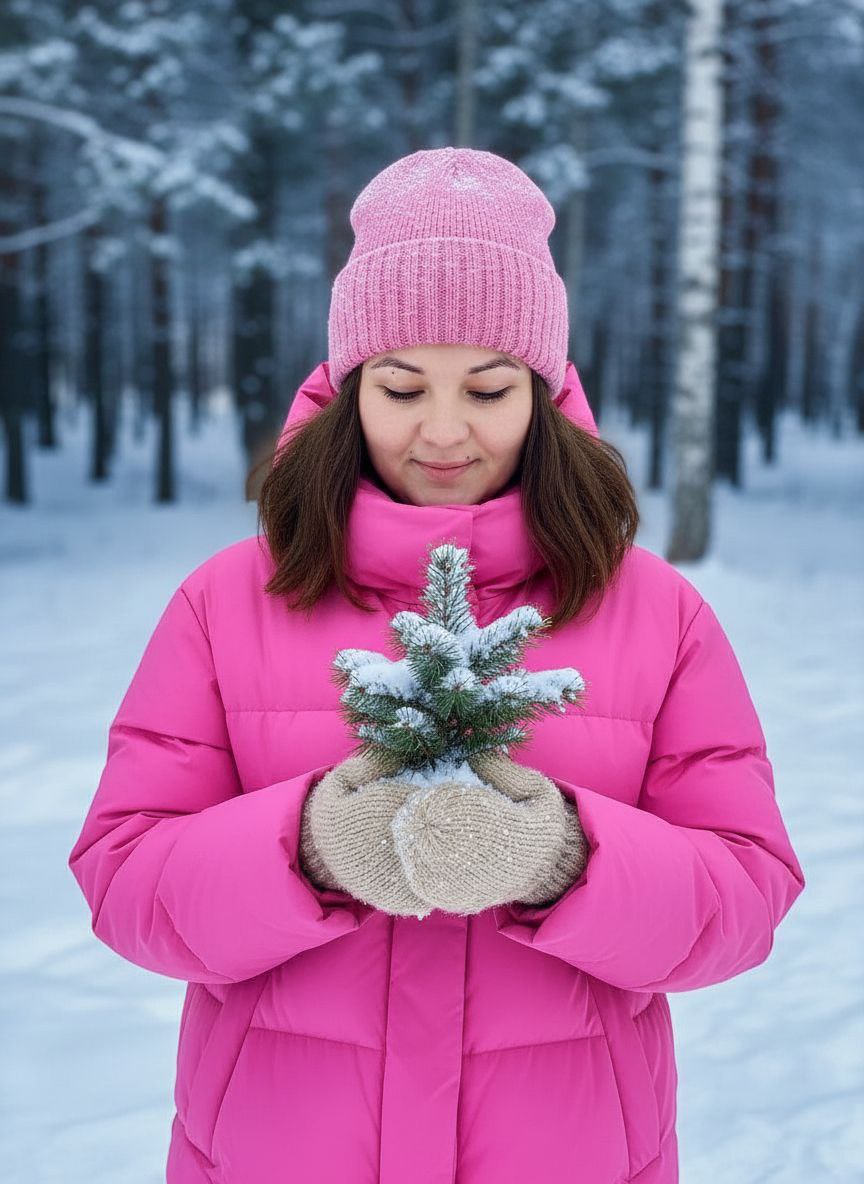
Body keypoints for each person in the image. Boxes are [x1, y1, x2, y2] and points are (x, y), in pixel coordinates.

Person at [67, 147, 806, 1184]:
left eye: (489, 388)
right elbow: (125, 881)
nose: (445, 431)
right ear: (348, 387)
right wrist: (308, 844)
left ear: (544, 391)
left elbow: (745, 894)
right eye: (403, 386)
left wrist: (564, 857)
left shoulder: (657, 613)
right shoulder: (227, 602)